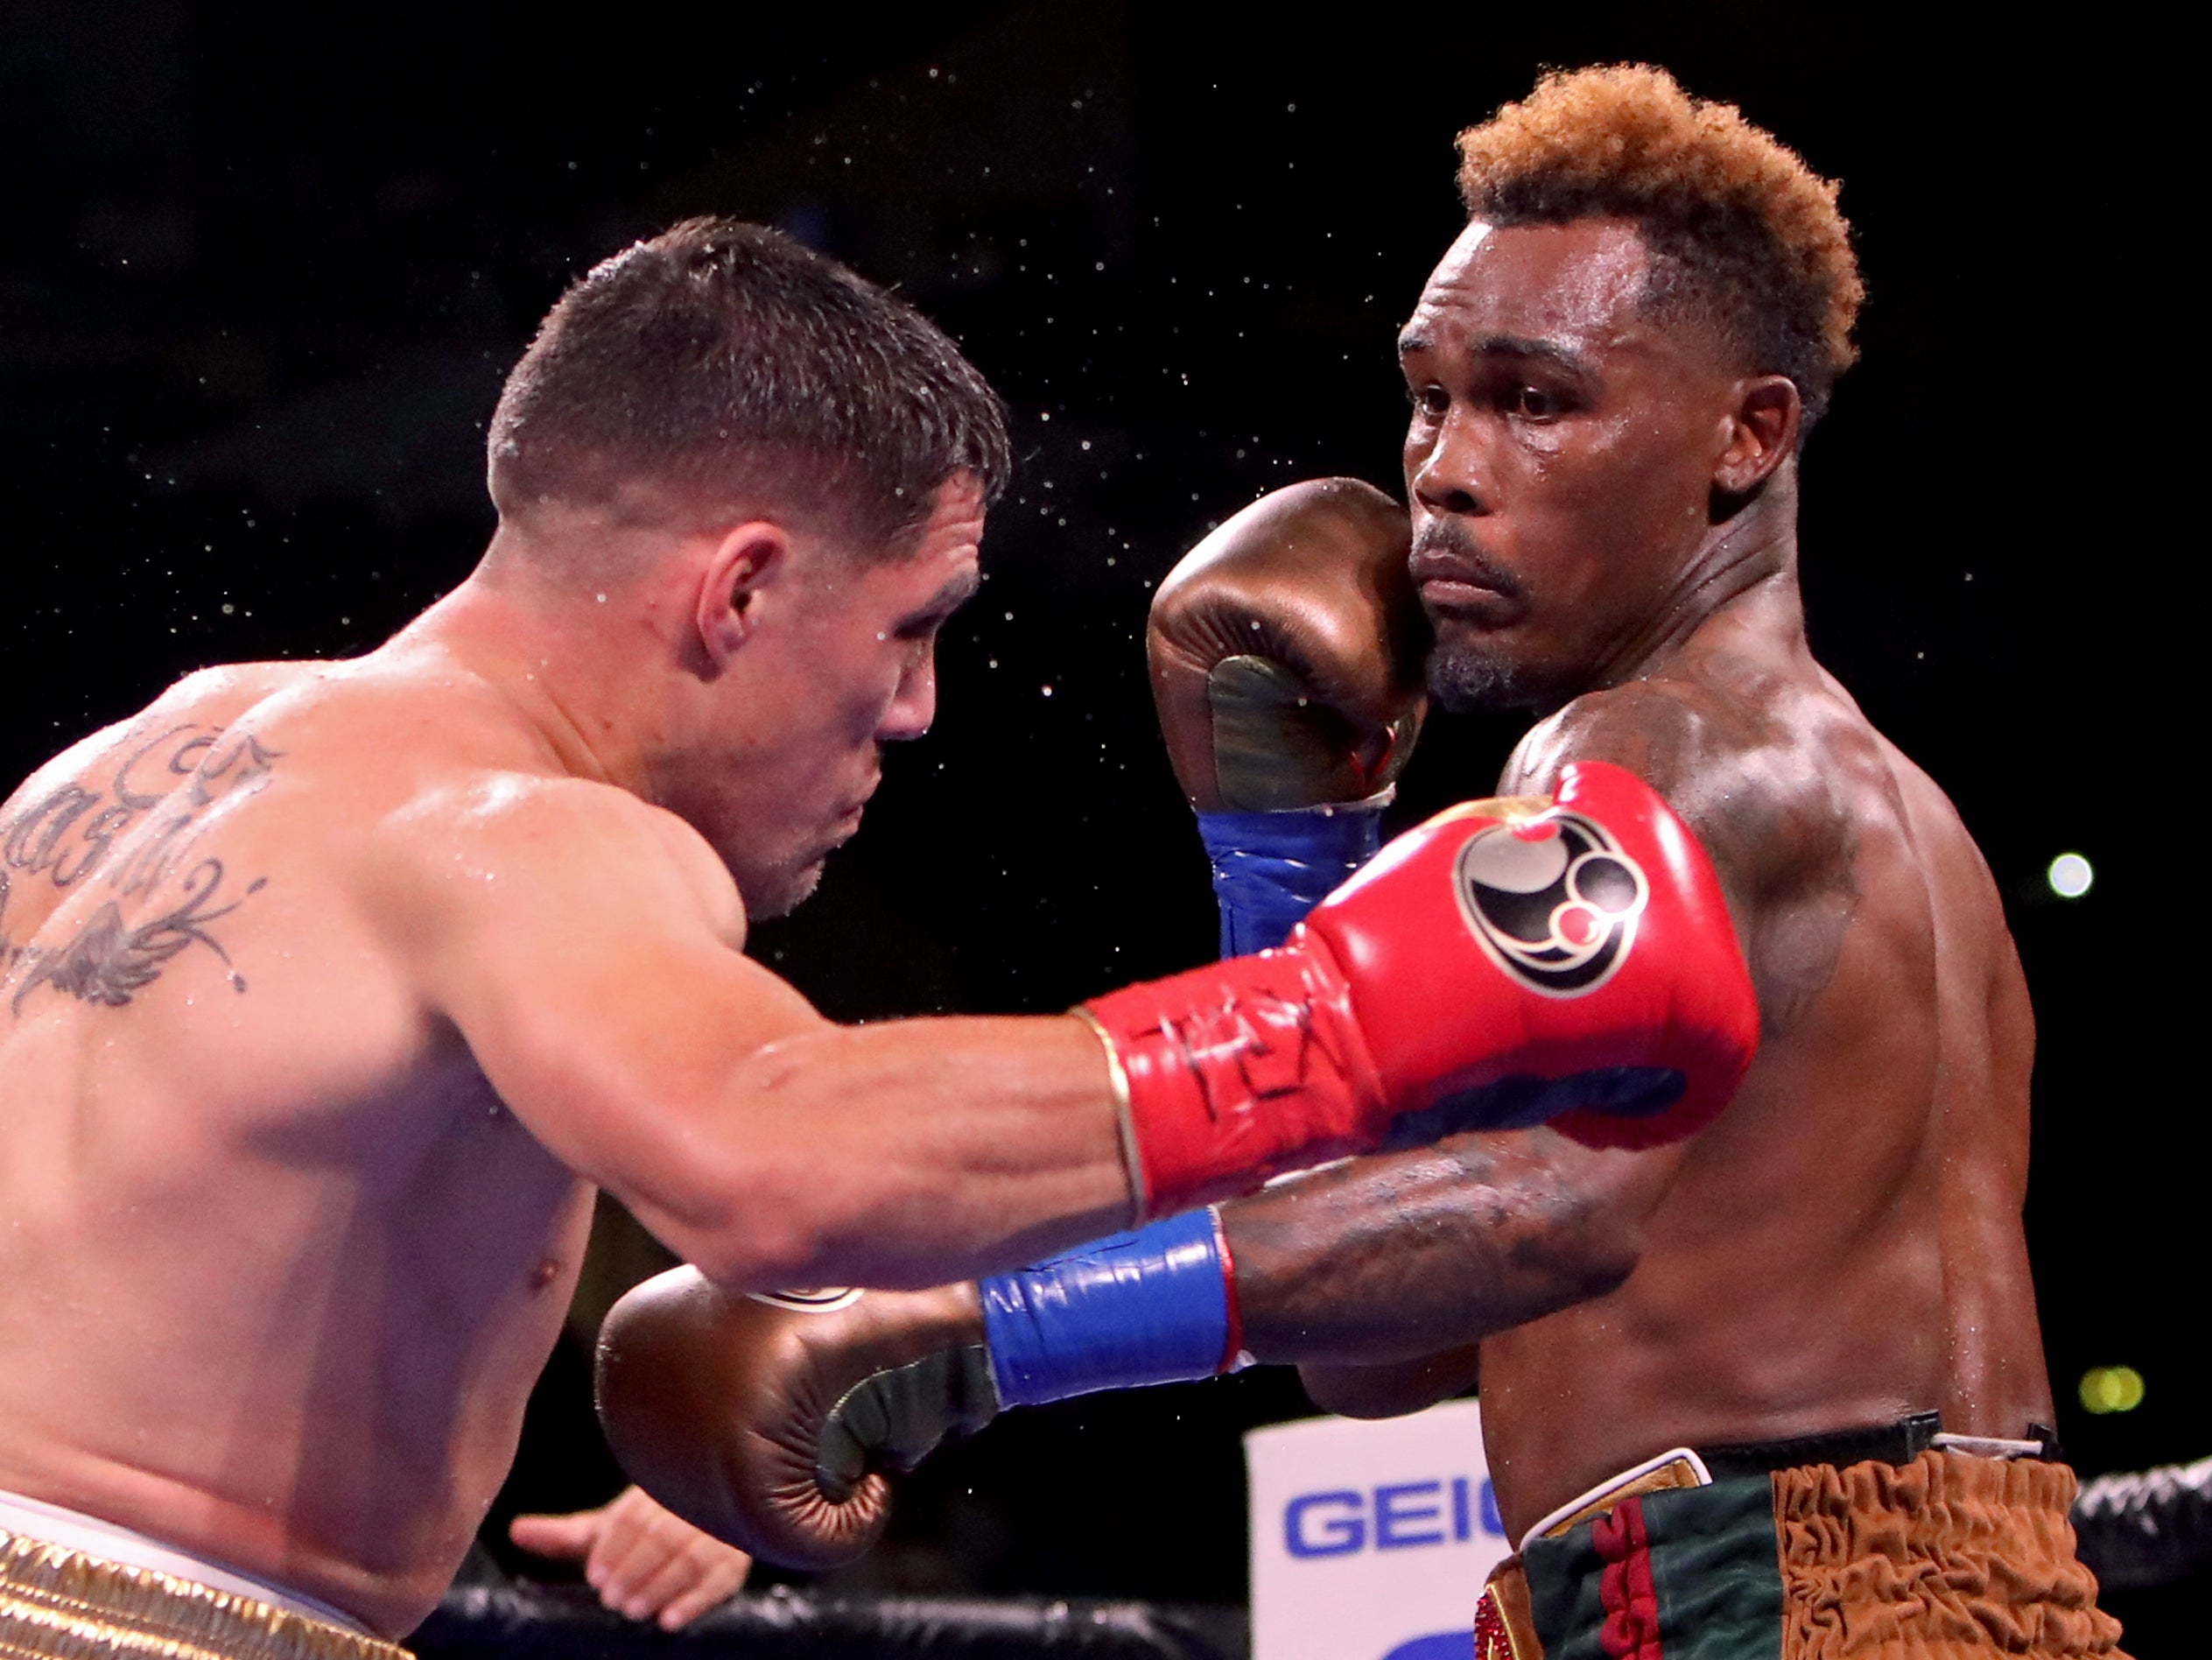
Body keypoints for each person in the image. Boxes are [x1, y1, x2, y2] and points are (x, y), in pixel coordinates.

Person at [0, 215, 1753, 1657]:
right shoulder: (529, 836)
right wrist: (1354, 1021)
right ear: (744, 589)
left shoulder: (140, 758)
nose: (912, 713)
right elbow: (780, 1161)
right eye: (910, 630)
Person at [597, 69, 2127, 1656]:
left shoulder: (1666, 755)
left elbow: (1550, 1211)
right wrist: (1294, 861)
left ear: (1748, 436)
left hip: (1759, 1591)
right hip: (1892, 1581)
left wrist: (968, 1333)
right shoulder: (1891, 804)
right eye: (1430, 395)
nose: (1448, 470)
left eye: (1537, 402)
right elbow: (1387, 1357)